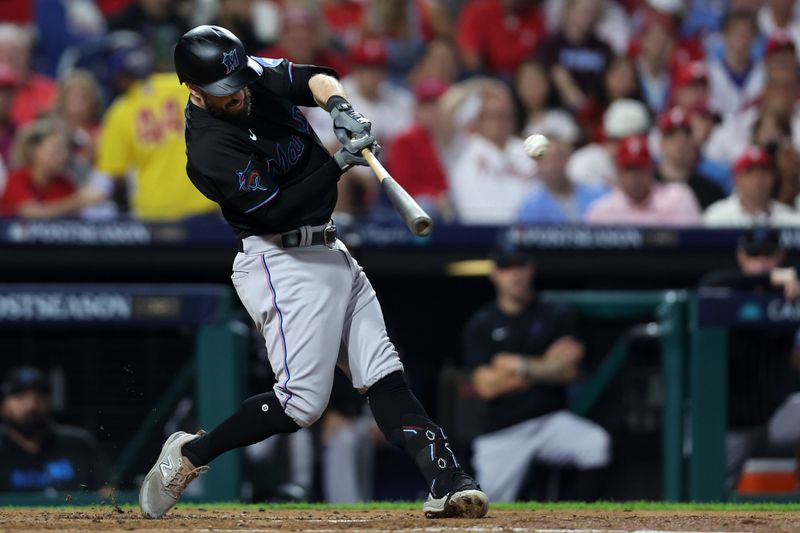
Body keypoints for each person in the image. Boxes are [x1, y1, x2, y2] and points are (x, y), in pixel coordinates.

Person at [138, 25, 488, 520]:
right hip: (280, 259)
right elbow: (281, 211)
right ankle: (191, 455)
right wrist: (341, 160)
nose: (237, 94)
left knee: (382, 372)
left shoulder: (246, 74)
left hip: (328, 246)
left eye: (238, 82)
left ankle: (448, 480)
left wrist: (341, 109)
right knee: (301, 404)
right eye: (223, 91)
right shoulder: (211, 150)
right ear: (195, 91)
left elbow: (315, 78)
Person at [462, 247, 611, 502]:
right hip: (502, 429)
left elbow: (568, 371)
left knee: (595, 444)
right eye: (507, 269)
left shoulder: (555, 312)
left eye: (520, 267)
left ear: (531, 269)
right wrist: (546, 365)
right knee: (487, 503)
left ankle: (579, 520)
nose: (515, 276)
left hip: (549, 420)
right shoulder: (482, 323)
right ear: (495, 274)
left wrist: (518, 365)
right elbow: (487, 387)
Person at [699, 227, 800, 491]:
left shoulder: (792, 288)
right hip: (733, 420)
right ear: (741, 256)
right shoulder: (726, 286)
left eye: (768, 255)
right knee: (710, 493)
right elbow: (709, 286)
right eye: (754, 255)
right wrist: (771, 278)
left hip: (778, 412)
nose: (762, 261)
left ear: (781, 256)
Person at [0, 367, 112, 492]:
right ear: (4, 405)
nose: (31, 405)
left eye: (39, 397)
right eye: (20, 397)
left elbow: (107, 494)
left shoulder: (78, 444)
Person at [584, 134, 703, 226]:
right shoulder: (601, 213)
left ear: (651, 170)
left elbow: (695, 247)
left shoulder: (679, 198)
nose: (635, 176)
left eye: (640, 168)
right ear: (618, 172)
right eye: (629, 169)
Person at [517, 136, 607, 224]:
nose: (552, 166)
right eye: (546, 160)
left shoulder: (598, 196)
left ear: (567, 159)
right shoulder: (530, 208)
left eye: (557, 158)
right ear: (537, 165)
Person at [704, 147, 800, 227]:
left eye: (764, 170)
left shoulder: (791, 219)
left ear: (774, 177)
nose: (758, 178)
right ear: (737, 179)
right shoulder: (715, 217)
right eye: (750, 172)